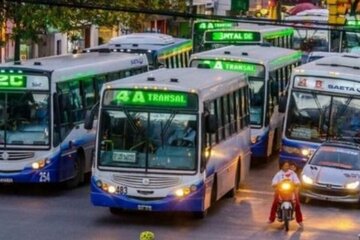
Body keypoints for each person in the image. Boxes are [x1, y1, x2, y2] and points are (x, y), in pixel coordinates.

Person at [268, 161, 303, 227]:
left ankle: (300, 220)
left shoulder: (292, 173)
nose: (286, 167)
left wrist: (296, 183)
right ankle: (271, 219)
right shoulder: (278, 174)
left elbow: (297, 181)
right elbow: (273, 183)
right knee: (275, 203)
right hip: (280, 191)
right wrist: (276, 184)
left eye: (287, 166)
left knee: (297, 204)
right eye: (285, 166)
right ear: (282, 166)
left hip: (291, 191)